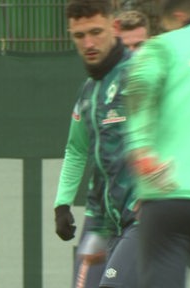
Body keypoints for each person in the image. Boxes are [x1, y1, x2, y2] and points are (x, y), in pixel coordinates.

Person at [123, 0, 190, 287]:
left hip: (165, 194)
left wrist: (141, 149)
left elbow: (138, 84)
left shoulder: (162, 45)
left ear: (178, 16)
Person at [53, 0, 139, 287]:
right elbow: (76, 149)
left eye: (96, 32)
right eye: (79, 36)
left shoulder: (141, 74)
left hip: (141, 216)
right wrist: (62, 203)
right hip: (101, 219)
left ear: (114, 27)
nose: (88, 43)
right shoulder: (88, 91)